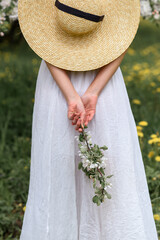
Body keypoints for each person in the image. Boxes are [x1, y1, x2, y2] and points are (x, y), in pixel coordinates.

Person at [18, 0, 159, 239]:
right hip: (96, 83)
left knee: (92, 162)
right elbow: (122, 39)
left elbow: (43, 43)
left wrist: (76, 95)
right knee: (66, 161)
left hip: (64, 84)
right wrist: (89, 92)